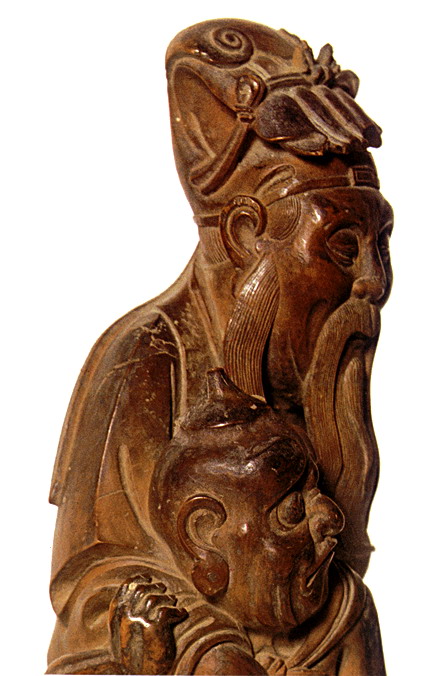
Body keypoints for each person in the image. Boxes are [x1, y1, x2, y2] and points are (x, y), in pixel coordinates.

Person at [47, 19, 391, 673]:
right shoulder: (147, 354)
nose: (373, 281)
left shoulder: (320, 359)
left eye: (381, 245)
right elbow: (93, 586)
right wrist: (202, 644)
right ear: (244, 234)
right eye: (343, 246)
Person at [106, 369, 385, 675]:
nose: (332, 518)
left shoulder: (344, 608)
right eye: (292, 509)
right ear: (203, 538)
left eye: (317, 488)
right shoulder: (183, 637)